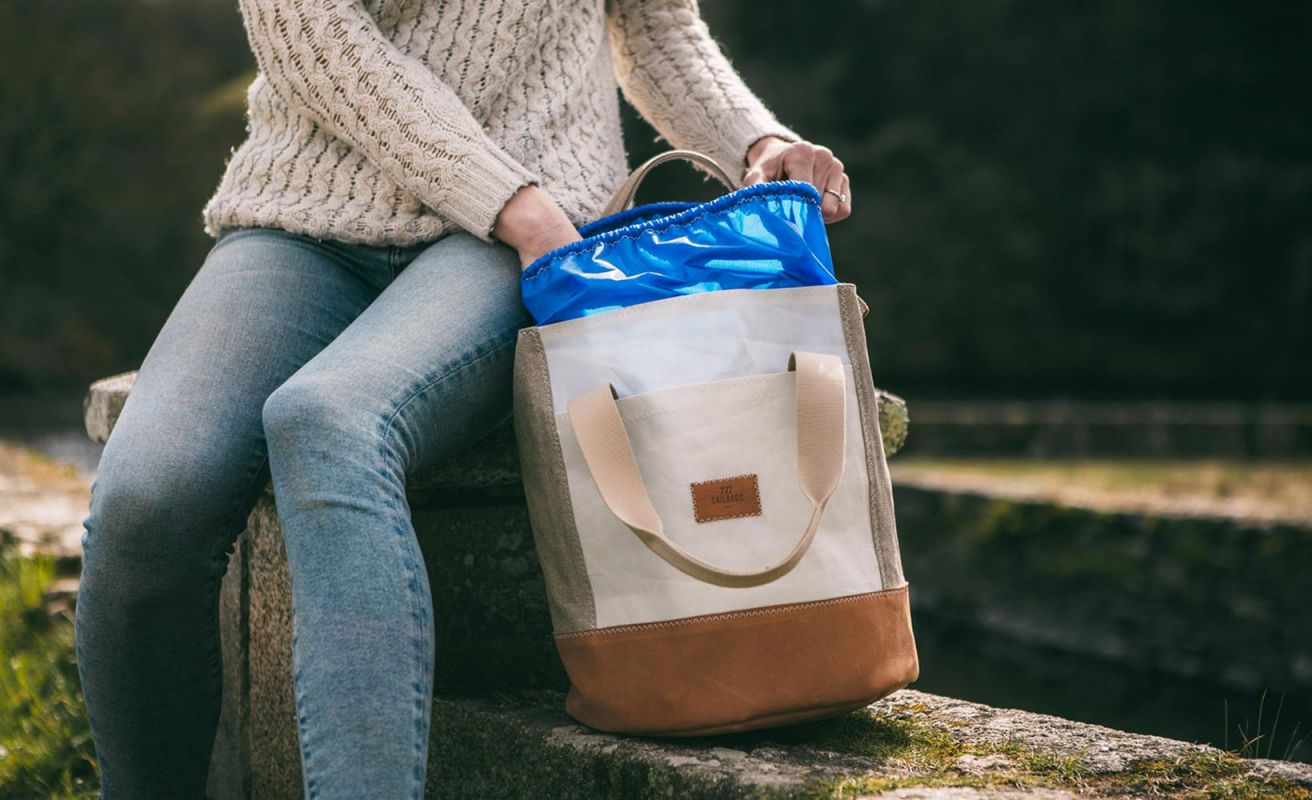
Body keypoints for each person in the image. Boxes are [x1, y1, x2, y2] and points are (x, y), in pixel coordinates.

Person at [74, 0, 853, 797]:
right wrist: (503, 193)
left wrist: (759, 141)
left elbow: (654, 27)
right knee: (146, 499)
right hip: (306, 217)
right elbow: (308, 33)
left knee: (330, 421)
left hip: (520, 236)